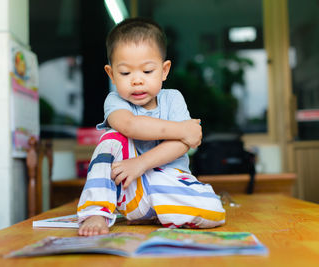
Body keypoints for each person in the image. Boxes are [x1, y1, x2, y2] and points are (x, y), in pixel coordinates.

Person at [77, 17, 225, 236]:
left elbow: (182, 146)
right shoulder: (115, 100)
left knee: (215, 211)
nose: (137, 80)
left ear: (164, 71)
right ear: (111, 74)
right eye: (126, 73)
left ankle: (162, 212)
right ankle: (96, 211)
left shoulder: (173, 98)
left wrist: (144, 162)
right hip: (129, 186)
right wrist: (183, 130)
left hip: (169, 183)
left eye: (147, 71)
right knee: (112, 138)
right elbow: (129, 125)